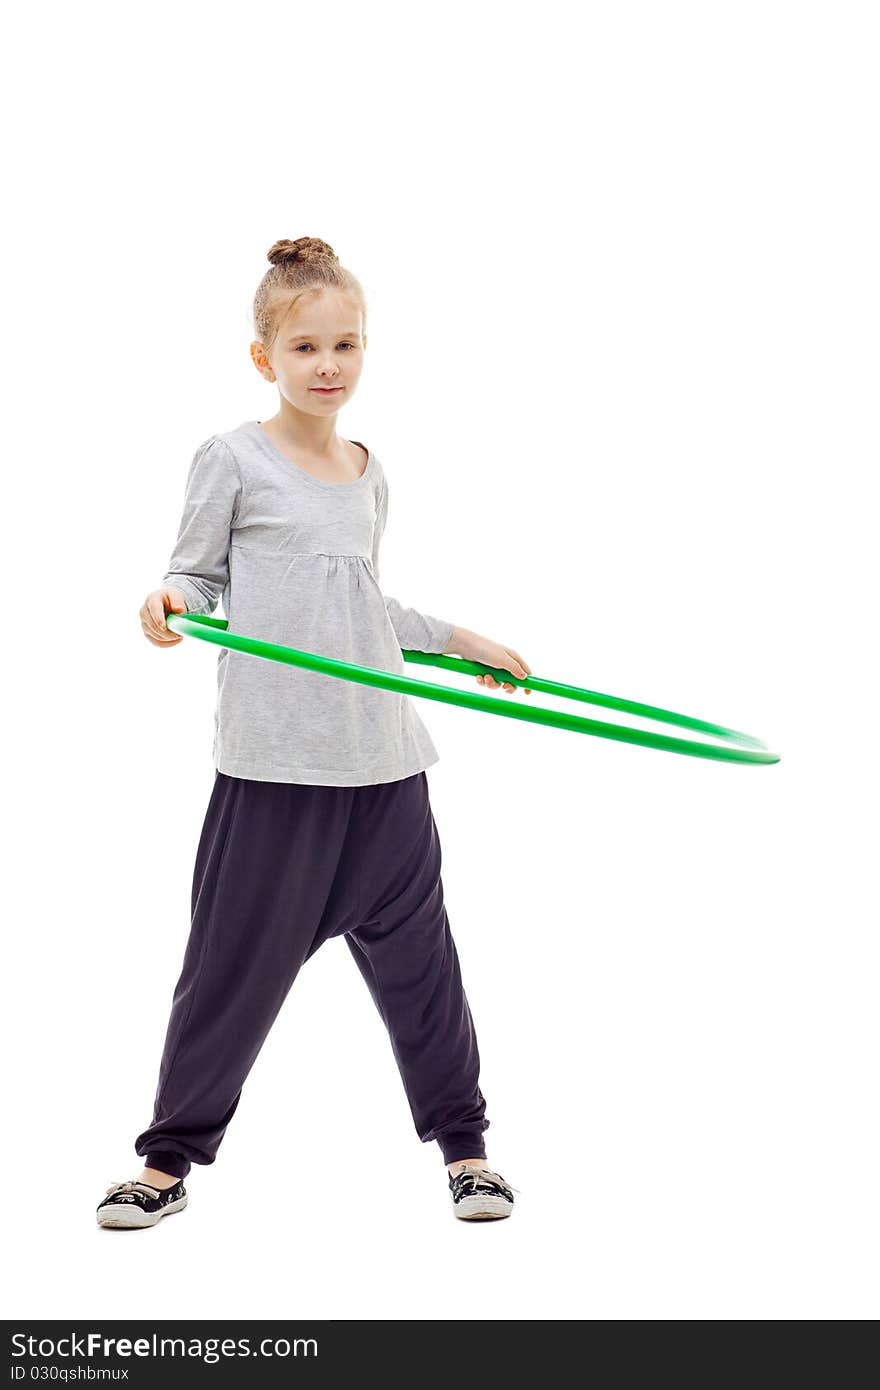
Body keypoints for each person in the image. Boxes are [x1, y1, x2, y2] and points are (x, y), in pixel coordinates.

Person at [96, 236, 529, 1230]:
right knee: (227, 978)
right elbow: (197, 579)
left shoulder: (369, 470)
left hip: (384, 769)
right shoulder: (231, 457)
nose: (327, 364)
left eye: (346, 344)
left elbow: (359, 605)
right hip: (276, 773)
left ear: (364, 350)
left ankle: (467, 1151)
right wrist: (168, 601)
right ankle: (165, 1164)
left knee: (426, 973)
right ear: (265, 357)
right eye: (305, 348)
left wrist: (463, 640)